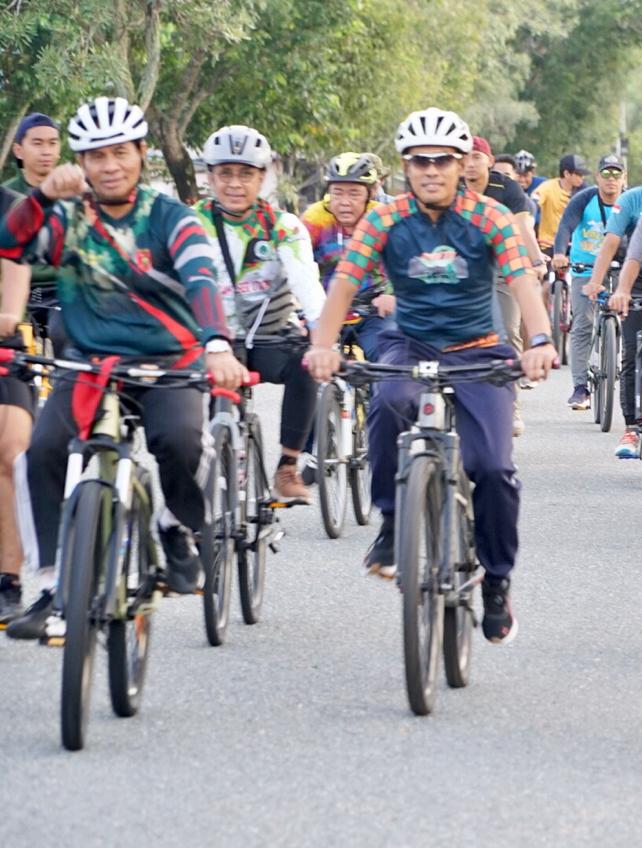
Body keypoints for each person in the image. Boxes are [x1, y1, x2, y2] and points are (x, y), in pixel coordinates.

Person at [305, 107, 558, 644]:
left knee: (492, 467)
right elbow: (346, 283)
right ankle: (395, 522)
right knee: (389, 399)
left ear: (462, 162)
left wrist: (537, 341)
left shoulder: (489, 216)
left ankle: (496, 580)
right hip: (410, 341)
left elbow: (521, 282)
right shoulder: (384, 218)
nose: (432, 170)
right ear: (405, 167)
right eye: (420, 161)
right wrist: (324, 345)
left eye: (443, 160)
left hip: (478, 349)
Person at [0, 96, 248, 639]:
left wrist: (216, 345)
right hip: (89, 365)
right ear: (81, 163)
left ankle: (176, 527)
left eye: (120, 152)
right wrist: (41, 196)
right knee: (38, 453)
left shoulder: (171, 218)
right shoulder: (68, 217)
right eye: (95, 155)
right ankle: (46, 585)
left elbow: (202, 279)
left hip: (169, 363)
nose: (109, 165)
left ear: (140, 153)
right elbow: (10, 242)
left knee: (183, 441)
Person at [194, 125, 325, 503]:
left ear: (262, 177)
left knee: (305, 362)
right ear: (211, 176)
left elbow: (306, 283)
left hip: (268, 337)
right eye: (225, 174)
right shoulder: (190, 222)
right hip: (211, 340)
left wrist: (321, 336)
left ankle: (287, 467)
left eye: (246, 174)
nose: (235, 184)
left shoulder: (283, 227)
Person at [587, 143, 642, 457]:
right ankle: (632, 428)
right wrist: (598, 283)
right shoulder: (630, 201)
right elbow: (611, 243)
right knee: (631, 353)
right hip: (637, 279)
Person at [464, 136, 546, 434]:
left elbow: (524, 226)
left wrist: (536, 261)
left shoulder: (506, 188)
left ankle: (510, 405)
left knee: (508, 329)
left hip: (502, 264)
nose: (470, 164)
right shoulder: (451, 189)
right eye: (465, 157)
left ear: (489, 160)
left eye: (476, 157)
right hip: (458, 268)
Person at [300, 152, 394, 362]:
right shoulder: (314, 218)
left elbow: (402, 263)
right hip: (324, 308)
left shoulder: (381, 217)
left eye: (354, 194)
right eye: (337, 193)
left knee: (386, 357)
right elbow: (294, 266)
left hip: (373, 308)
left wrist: (391, 294)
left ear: (369, 195)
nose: (344, 202)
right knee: (302, 361)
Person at [551, 153, 626, 409]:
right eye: (606, 174)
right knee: (583, 322)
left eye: (617, 174)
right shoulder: (584, 198)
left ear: (624, 178)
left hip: (620, 267)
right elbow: (565, 227)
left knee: (633, 318)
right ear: (597, 177)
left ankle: (623, 368)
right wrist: (560, 254)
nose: (611, 180)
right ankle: (580, 387)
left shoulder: (629, 201)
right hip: (585, 267)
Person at [4, 113, 63, 351]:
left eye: (53, 143)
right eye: (37, 143)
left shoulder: (76, 197)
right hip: (16, 296)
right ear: (18, 150)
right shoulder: (6, 198)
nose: (46, 151)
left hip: (62, 294)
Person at [0, 215, 32, 624]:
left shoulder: (12, 208)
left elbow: (14, 263)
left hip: (6, 349)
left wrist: (8, 313)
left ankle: (8, 580)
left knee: (11, 453)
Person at [533, 153, 589, 254]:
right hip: (549, 245)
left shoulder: (584, 191)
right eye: (578, 174)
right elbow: (533, 201)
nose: (582, 178)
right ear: (567, 174)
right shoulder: (548, 187)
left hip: (575, 246)